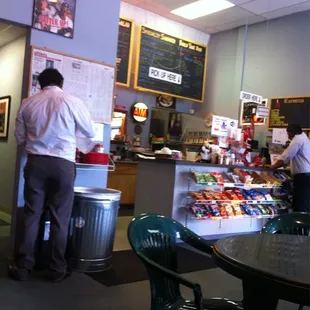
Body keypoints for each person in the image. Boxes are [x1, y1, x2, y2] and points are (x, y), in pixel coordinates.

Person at [10, 68, 95, 282]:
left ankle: (23, 267)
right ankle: (57, 269)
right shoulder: (72, 101)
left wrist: (36, 145)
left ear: (40, 84)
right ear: (61, 82)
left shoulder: (28, 102)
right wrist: (77, 143)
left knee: (32, 215)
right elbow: (91, 132)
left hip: (35, 163)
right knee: (60, 218)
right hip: (63, 164)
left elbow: (19, 137)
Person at [268, 124, 310, 212]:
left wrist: (272, 166)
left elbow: (285, 158)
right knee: (304, 202)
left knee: (300, 203)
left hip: (303, 177)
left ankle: (299, 224)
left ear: (292, 133)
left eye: (288, 134)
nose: (288, 137)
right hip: (306, 176)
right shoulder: (304, 138)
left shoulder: (297, 140)